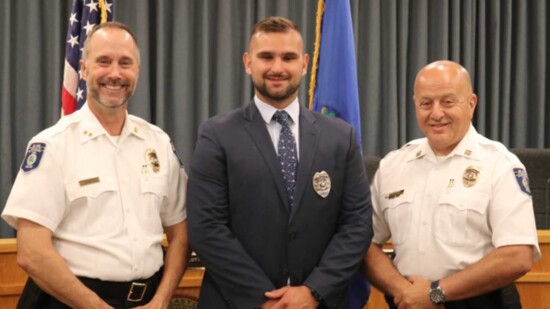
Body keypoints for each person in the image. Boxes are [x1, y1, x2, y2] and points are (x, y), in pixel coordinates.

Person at [187, 16, 373, 309]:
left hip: (318, 302)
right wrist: (266, 301)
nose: (277, 68)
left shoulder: (341, 137)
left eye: (288, 57)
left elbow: (357, 225)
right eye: (266, 57)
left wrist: (313, 291)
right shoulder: (216, 134)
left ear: (304, 63)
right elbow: (206, 228)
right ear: (248, 63)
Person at [2, 22, 189, 308]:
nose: (115, 73)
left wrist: (161, 300)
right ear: (84, 68)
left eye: (125, 63)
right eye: (104, 61)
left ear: (137, 71)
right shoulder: (53, 145)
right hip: (67, 301)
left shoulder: (158, 144)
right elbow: (31, 252)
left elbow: (181, 232)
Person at [363, 60, 541, 309]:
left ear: (471, 104)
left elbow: (517, 256)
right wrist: (403, 291)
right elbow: (365, 242)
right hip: (407, 302)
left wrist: (435, 293)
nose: (436, 113)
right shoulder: (393, 165)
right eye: (426, 103)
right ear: (415, 104)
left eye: (448, 102)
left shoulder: (499, 165)